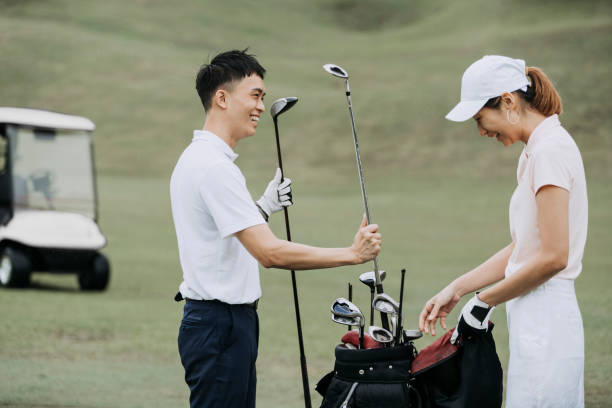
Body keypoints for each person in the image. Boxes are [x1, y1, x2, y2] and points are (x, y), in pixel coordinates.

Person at [170, 49, 382, 408]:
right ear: (221, 98)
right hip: (220, 325)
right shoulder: (214, 168)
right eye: (254, 95)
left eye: (263, 98)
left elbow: (224, 239)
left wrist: (263, 208)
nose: (259, 107)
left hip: (219, 323)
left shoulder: (200, 159)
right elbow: (268, 253)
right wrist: (351, 254)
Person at [418, 55, 587, 408]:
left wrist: (484, 301)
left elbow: (555, 257)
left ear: (508, 101)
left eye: (481, 118)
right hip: (534, 313)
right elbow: (524, 248)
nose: (482, 131)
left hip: (547, 317)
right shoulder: (535, 152)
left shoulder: (549, 151)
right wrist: (460, 289)